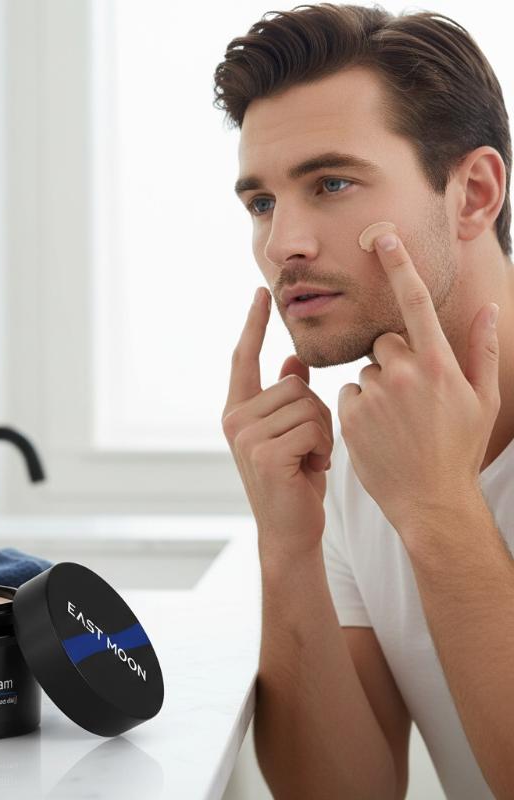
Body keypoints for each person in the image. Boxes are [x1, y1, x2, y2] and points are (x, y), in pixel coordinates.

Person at [215, 4, 514, 798]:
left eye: (332, 183)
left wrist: (440, 510)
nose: (283, 244)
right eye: (261, 203)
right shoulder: (363, 450)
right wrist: (287, 546)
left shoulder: (403, 467)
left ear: (474, 193)